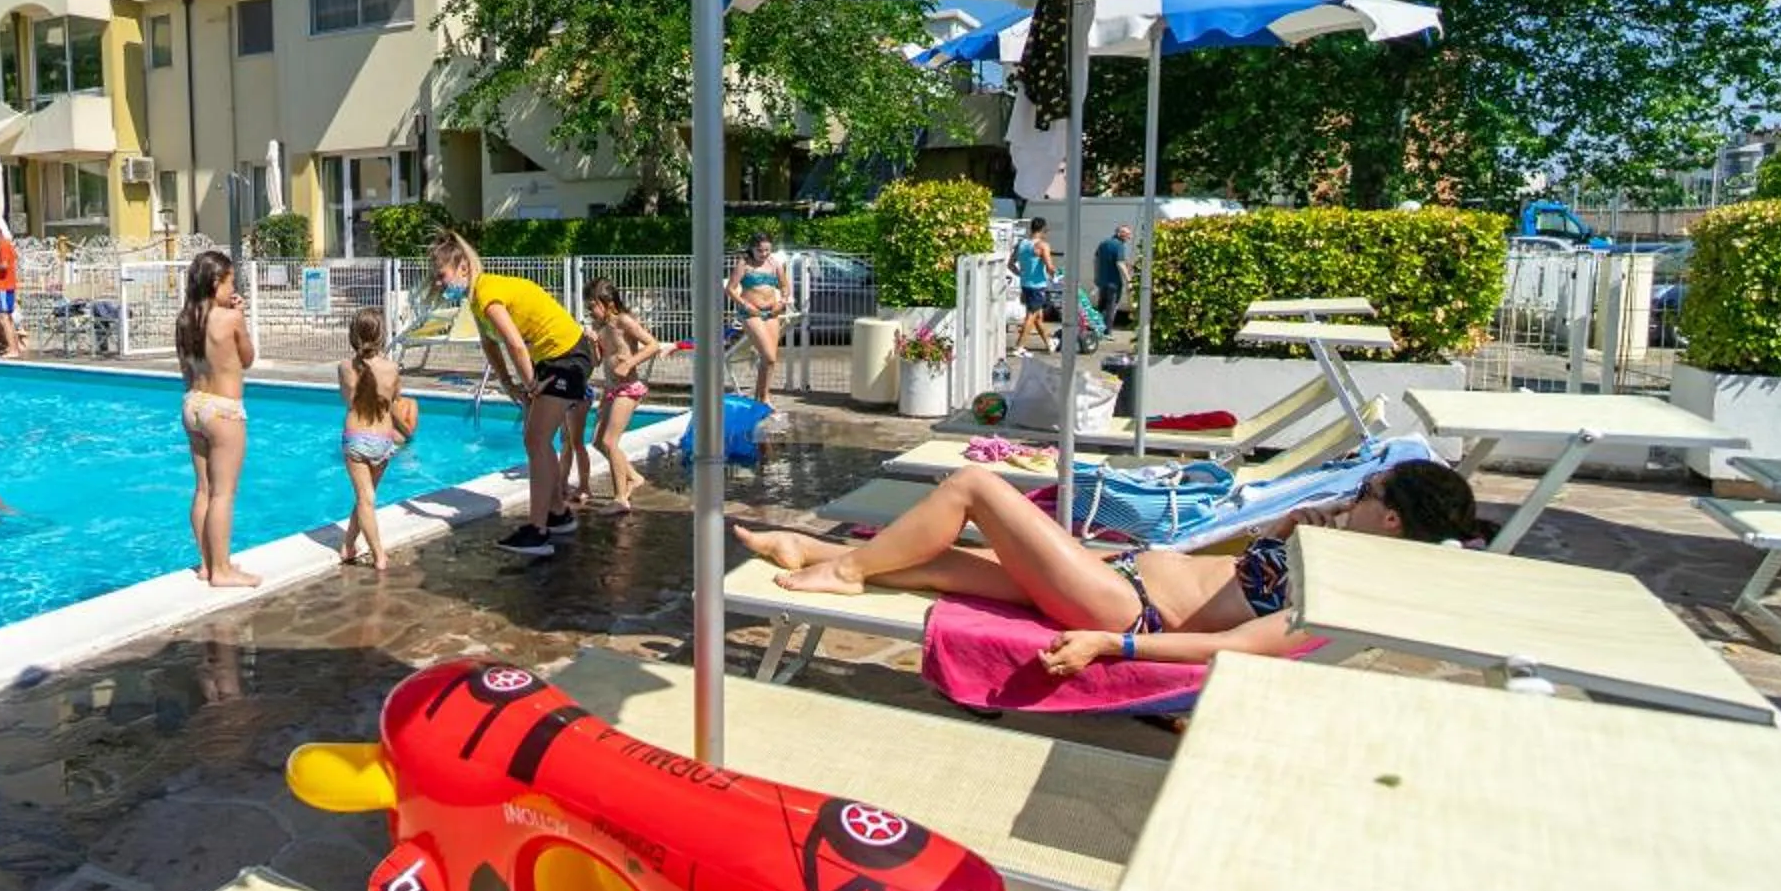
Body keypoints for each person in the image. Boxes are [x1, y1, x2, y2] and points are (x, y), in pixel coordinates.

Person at [736, 461, 1485, 673]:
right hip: (1121, 576)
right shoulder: (1324, 548)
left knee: (972, 489)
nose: (1353, 495)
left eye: (1368, 492)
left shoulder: (1338, 591)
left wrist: (1114, 646)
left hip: (1123, 611)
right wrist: (1281, 527)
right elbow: (1222, 573)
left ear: (1391, 520)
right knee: (953, 565)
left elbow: (1231, 646)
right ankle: (822, 553)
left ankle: (842, 570)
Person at [430, 231, 591, 558]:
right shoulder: (475, 299)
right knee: (537, 439)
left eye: (442, 275)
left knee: (535, 439)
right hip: (549, 358)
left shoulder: (487, 293)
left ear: (462, 267)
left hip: (568, 356)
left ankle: (537, 531)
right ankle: (557, 515)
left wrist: (530, 385)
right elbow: (491, 345)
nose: (439, 284)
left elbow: (515, 343)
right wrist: (508, 384)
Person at [175, 249, 259, 587]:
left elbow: (184, 369)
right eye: (230, 282)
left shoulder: (184, 320)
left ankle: (208, 564)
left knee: (203, 490)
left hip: (193, 404)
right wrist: (240, 315)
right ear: (215, 282)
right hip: (224, 409)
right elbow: (248, 359)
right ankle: (222, 572)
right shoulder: (230, 319)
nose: (233, 288)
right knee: (224, 494)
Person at [334, 307, 421, 570]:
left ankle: (378, 556)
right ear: (382, 337)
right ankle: (349, 546)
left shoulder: (344, 367)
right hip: (384, 440)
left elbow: (347, 400)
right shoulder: (392, 368)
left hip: (356, 437)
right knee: (366, 498)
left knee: (364, 499)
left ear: (352, 335)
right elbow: (394, 402)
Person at [582, 277, 662, 512]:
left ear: (605, 302)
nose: (589, 312)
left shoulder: (623, 321)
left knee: (609, 441)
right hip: (611, 388)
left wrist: (630, 364)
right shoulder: (601, 327)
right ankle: (634, 477)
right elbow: (597, 362)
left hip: (628, 388)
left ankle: (620, 498)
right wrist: (593, 344)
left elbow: (653, 345)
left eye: (591, 306)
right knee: (597, 441)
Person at [727, 231, 791, 404]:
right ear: (752, 249)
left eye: (767, 250)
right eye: (760, 251)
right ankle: (762, 397)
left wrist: (783, 301)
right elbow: (731, 289)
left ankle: (762, 397)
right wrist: (745, 304)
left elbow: (785, 287)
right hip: (751, 313)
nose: (764, 254)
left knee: (770, 360)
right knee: (768, 356)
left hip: (772, 312)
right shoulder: (744, 263)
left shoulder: (774, 263)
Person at [1012, 218, 1058, 351]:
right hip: (1037, 286)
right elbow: (1049, 267)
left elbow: (1011, 263)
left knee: (1038, 317)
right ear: (1043, 230)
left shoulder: (1021, 244)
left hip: (1025, 284)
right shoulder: (1042, 245)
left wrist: (1021, 273)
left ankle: (1049, 343)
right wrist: (1056, 274)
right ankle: (1019, 346)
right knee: (1031, 316)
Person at [0, 218, 26, 357]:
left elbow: (4, 265)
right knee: (7, 317)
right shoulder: (7, 246)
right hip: (7, 285)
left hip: (4, 285)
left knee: (4, 317)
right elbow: (14, 258)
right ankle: (14, 347)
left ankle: (13, 349)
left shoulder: (3, 246)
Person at [1094, 222, 1133, 327]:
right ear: (1120, 234)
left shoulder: (1103, 243)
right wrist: (1129, 280)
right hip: (1114, 283)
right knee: (1111, 307)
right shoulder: (1119, 245)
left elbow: (1097, 260)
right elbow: (1119, 263)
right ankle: (1107, 331)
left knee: (1101, 306)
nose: (1129, 237)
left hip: (1102, 281)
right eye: (1127, 234)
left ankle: (1097, 329)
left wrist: (1096, 277)